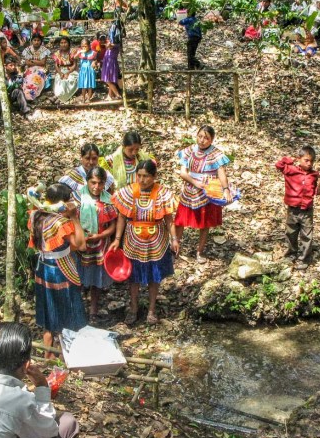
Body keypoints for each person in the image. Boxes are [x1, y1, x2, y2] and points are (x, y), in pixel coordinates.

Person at [109, 160, 179, 325]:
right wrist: (117, 239)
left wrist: (174, 239)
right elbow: (122, 217)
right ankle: (133, 307)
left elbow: (169, 219)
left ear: (154, 176)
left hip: (157, 240)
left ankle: (151, 309)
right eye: (139, 175)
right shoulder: (127, 192)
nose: (142, 179)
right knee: (133, 276)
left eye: (146, 176)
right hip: (133, 240)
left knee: (155, 275)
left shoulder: (163, 194)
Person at [28, 184, 88, 358]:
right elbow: (81, 245)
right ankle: (65, 354)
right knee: (67, 308)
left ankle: (48, 352)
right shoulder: (60, 223)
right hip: (60, 269)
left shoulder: (36, 215)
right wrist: (74, 218)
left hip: (43, 266)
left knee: (48, 308)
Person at [175, 125, 233, 263]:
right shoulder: (189, 150)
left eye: (206, 138)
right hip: (190, 189)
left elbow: (221, 172)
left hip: (208, 192)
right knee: (180, 220)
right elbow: (183, 172)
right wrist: (195, 182)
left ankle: (199, 252)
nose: (202, 140)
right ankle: (174, 248)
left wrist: (226, 189)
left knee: (204, 223)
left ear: (211, 140)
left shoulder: (216, 154)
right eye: (200, 136)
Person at [74, 167, 118, 321]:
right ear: (87, 181)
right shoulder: (77, 198)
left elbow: (112, 226)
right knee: (77, 277)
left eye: (100, 183)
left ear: (105, 184)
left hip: (100, 244)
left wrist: (99, 236)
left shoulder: (108, 200)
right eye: (93, 182)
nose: (96, 187)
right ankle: (77, 309)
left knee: (97, 277)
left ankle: (93, 311)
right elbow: (71, 220)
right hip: (80, 244)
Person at [275, 146, 320, 269]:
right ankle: (291, 254)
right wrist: (289, 160)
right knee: (291, 232)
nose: (309, 163)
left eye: (311, 161)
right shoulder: (291, 170)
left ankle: (304, 259)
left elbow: (316, 191)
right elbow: (279, 165)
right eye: (306, 160)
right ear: (299, 159)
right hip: (293, 209)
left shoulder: (314, 175)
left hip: (307, 210)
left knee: (307, 234)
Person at [0, 57, 31, 125]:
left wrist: (19, 75)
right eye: (11, 65)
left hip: (10, 95)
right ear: (5, 66)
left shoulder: (14, 73)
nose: (13, 67)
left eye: (14, 65)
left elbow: (19, 83)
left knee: (18, 91)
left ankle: (26, 112)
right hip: (1, 96)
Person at [20, 33, 50, 102]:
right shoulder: (27, 50)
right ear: (32, 41)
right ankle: (26, 95)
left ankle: (34, 95)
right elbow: (27, 63)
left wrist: (32, 61)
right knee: (29, 77)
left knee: (37, 76)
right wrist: (37, 61)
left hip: (41, 68)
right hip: (30, 68)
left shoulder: (44, 50)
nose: (36, 42)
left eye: (38, 40)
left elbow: (43, 63)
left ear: (41, 41)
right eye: (35, 40)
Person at [51, 36, 78, 104]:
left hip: (71, 71)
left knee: (69, 79)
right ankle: (60, 97)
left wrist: (68, 73)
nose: (63, 44)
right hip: (61, 70)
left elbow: (75, 65)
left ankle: (58, 98)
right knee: (60, 80)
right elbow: (56, 65)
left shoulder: (73, 52)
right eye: (62, 43)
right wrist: (60, 73)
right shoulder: (57, 53)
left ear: (68, 43)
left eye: (65, 42)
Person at [102, 18, 124, 100]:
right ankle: (110, 95)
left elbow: (110, 46)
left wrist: (108, 44)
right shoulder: (113, 41)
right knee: (110, 79)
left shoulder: (115, 43)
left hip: (111, 62)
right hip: (108, 61)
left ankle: (117, 95)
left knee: (107, 79)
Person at [76, 39, 98, 103]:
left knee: (89, 86)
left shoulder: (92, 53)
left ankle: (89, 98)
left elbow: (96, 59)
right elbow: (75, 57)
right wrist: (79, 52)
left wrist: (94, 62)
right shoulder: (80, 52)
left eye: (85, 46)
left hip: (90, 70)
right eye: (82, 46)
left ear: (89, 46)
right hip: (83, 71)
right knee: (83, 86)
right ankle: (83, 98)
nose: (84, 48)